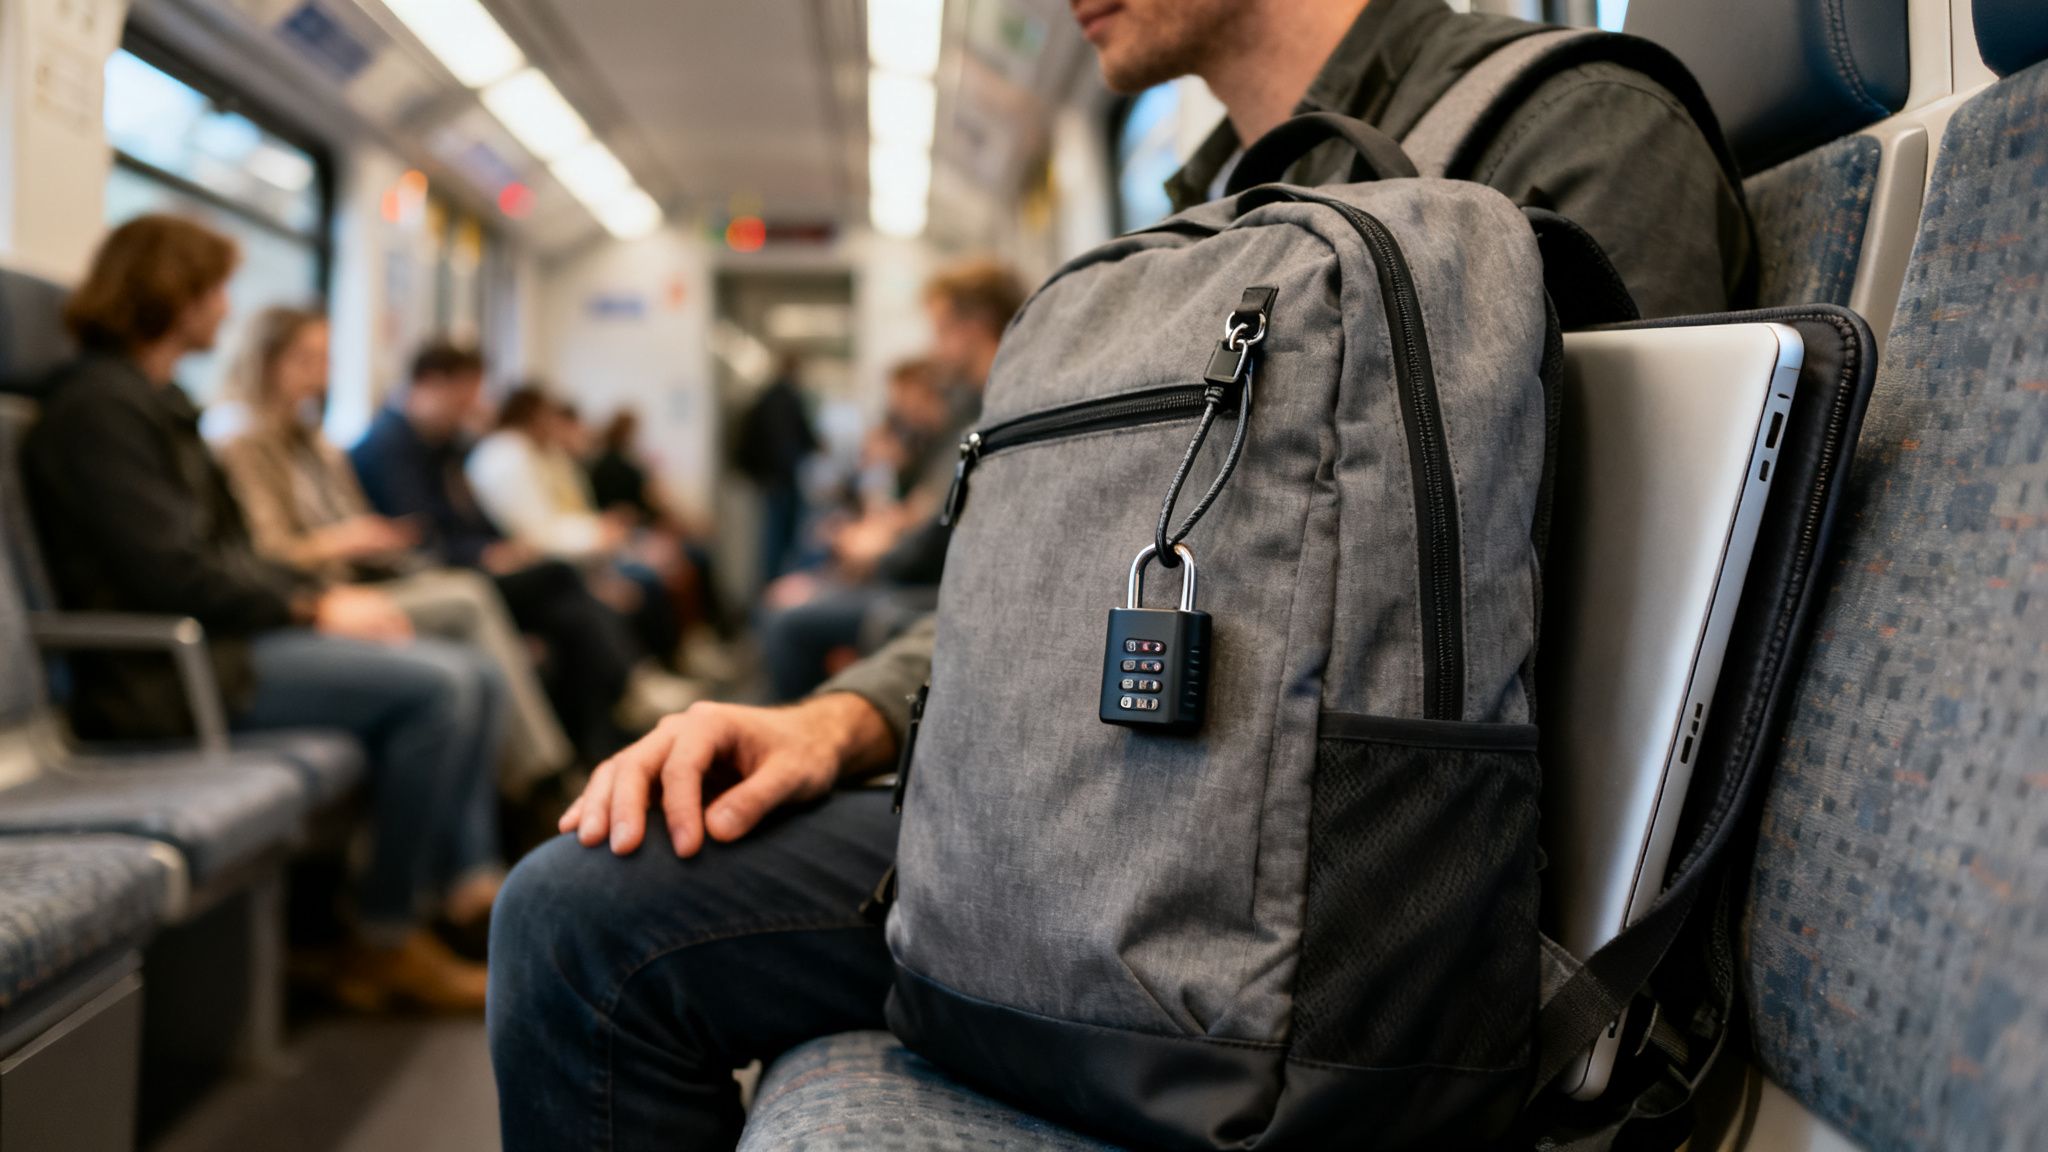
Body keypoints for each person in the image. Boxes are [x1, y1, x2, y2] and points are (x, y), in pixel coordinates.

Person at [488, 0, 1755, 1146]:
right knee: (580, 910)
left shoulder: (1573, 128)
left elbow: (1607, 672)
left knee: (592, 933)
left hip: (1332, 865)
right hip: (1122, 790)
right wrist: (845, 718)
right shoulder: (1205, 204)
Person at [24, 215, 504, 1011]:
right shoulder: (101, 413)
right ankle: (383, 936)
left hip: (221, 648)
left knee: (470, 673)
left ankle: (440, 898)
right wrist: (313, 606)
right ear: (170, 296)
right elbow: (172, 573)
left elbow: (227, 554)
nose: (224, 307)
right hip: (165, 672)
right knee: (443, 689)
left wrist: (323, 598)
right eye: (212, 289)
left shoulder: (157, 404)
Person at [214, 307, 574, 792]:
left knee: (487, 658)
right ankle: (541, 777)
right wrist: (345, 541)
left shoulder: (317, 443)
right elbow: (266, 551)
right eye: (306, 357)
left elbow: (367, 521)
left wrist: (376, 539)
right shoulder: (242, 443)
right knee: (469, 610)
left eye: (325, 358)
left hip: (358, 578)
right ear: (266, 360)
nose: (321, 371)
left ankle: (500, 827)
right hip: (317, 593)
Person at [351, 347, 642, 763]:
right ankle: (610, 715)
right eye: (463, 399)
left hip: (462, 563)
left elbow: (470, 520)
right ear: (430, 385)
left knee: (569, 615)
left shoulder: (441, 447)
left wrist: (499, 547)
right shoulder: (390, 446)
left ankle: (593, 746)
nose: (470, 409)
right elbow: (419, 536)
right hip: (436, 571)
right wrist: (487, 552)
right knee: (559, 580)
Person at [754, 261, 1021, 701]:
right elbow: (930, 508)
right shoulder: (973, 409)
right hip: (928, 571)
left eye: (941, 330)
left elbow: (940, 528)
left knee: (788, 622)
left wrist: (863, 566)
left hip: (942, 588)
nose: (937, 350)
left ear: (974, 326)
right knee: (804, 574)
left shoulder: (995, 410)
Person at [465, 386, 685, 673]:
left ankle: (646, 675)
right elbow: (534, 533)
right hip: (544, 559)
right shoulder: (508, 455)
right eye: (548, 416)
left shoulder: (540, 454)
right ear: (533, 416)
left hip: (566, 554)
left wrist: (602, 535)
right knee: (613, 589)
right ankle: (638, 679)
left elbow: (569, 515)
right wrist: (599, 540)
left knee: (640, 581)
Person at [731, 355, 818, 585]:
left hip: (773, 479)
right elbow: (788, 442)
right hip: (779, 480)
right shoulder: (784, 399)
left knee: (775, 541)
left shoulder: (771, 397)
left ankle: (773, 590)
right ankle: (774, 591)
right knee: (779, 543)